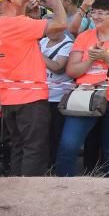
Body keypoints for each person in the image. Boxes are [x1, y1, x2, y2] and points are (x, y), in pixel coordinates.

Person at [0, 0, 68, 176]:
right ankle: (29, 193)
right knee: (34, 149)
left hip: (8, 97)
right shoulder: (19, 24)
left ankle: (16, 189)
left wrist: (21, 3)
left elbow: (13, 22)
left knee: (19, 147)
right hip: (30, 98)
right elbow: (62, 24)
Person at [57, 0, 109, 177]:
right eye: (94, 12)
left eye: (101, 12)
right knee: (68, 144)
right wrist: (91, 60)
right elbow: (72, 71)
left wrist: (106, 57)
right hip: (84, 97)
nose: (96, 16)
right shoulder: (84, 37)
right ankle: (62, 186)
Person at [40, 24, 74, 174]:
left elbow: (57, 66)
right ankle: (45, 165)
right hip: (41, 95)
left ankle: (55, 168)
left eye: (55, 28)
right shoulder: (42, 42)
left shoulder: (68, 44)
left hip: (58, 97)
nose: (51, 31)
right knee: (43, 134)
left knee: (56, 134)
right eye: (49, 29)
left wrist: (36, 52)